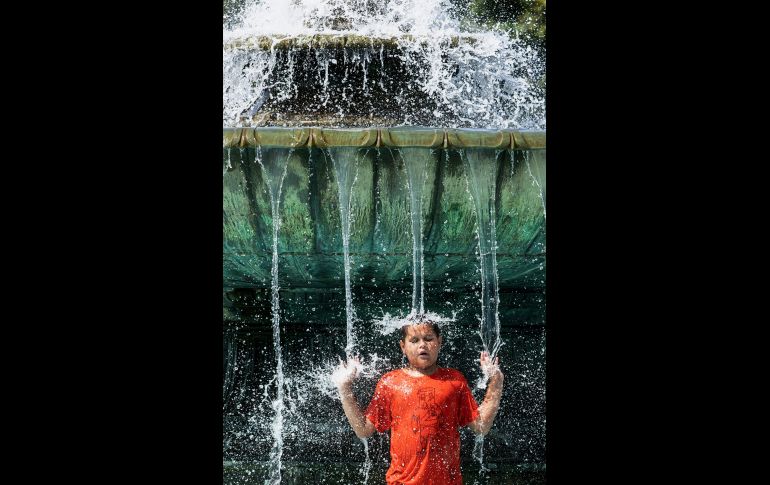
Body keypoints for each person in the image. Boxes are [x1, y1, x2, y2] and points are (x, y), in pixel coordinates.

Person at [333, 320, 504, 485]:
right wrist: (344, 387)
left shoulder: (455, 381)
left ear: (439, 341)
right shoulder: (391, 382)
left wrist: (496, 379)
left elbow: (481, 426)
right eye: (414, 340)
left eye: (428, 339)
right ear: (403, 347)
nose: (422, 345)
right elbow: (363, 430)